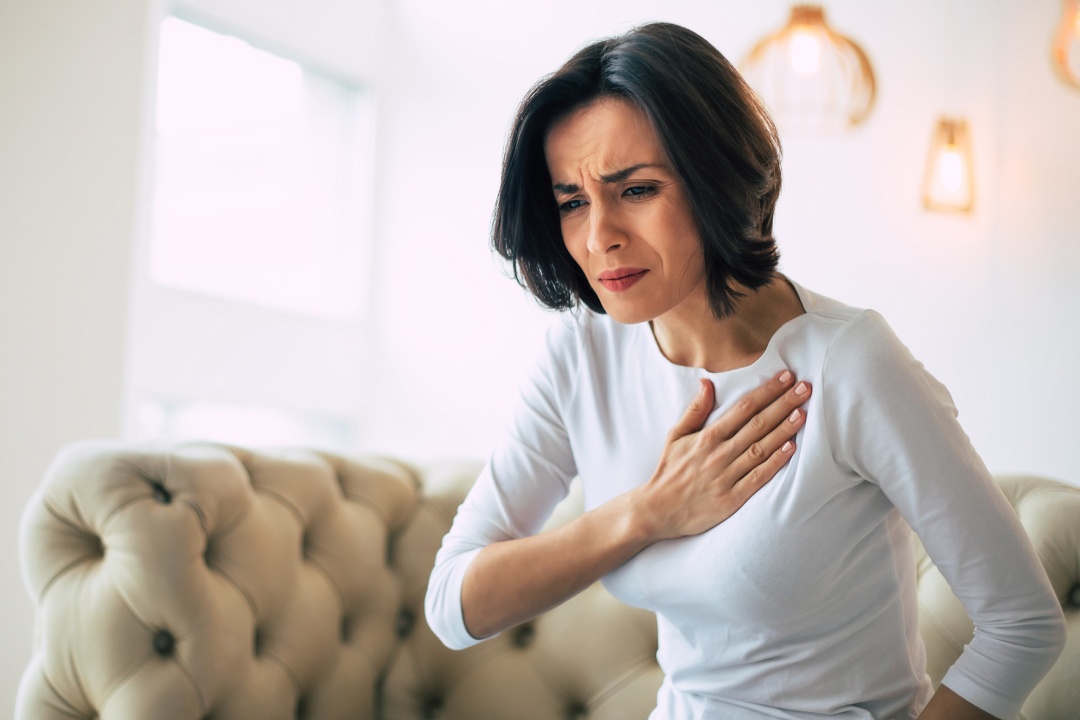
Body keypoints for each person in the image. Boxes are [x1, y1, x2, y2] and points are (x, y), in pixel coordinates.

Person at [424, 22, 1065, 720]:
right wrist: (647, 513)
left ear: (713, 180)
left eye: (635, 190)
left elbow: (1022, 623)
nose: (599, 233)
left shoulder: (851, 363)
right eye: (572, 201)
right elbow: (455, 605)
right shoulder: (582, 355)